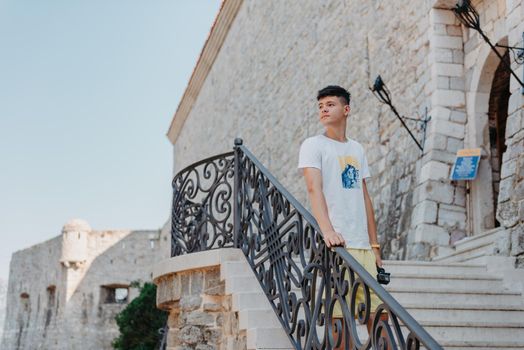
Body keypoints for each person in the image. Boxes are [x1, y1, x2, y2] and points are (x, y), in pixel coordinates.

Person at [298, 85, 386, 348]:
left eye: (330, 104)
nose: (324, 109)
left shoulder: (357, 149)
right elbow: (314, 189)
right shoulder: (313, 145)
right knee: (340, 323)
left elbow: (365, 197)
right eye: (320, 106)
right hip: (335, 247)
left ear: (346, 109)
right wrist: (328, 231)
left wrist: (375, 246)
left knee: (379, 318)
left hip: (363, 248)